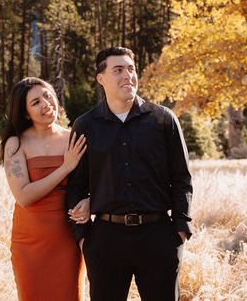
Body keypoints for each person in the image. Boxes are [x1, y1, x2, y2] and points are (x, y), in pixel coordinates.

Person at [66, 46, 193, 301]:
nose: (128, 76)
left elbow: (182, 178)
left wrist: (179, 231)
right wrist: (84, 239)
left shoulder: (163, 119)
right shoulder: (86, 125)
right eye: (118, 70)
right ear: (101, 78)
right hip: (105, 240)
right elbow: (75, 185)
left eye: (131, 69)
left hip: (158, 237)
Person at [2, 77, 90, 301]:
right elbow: (23, 195)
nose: (46, 103)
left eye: (48, 95)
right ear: (24, 113)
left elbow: (94, 183)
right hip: (30, 240)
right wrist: (65, 167)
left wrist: (90, 202)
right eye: (36, 102)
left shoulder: (74, 138)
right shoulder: (16, 143)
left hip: (67, 237)